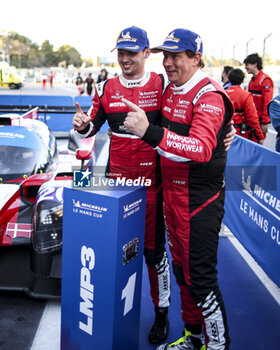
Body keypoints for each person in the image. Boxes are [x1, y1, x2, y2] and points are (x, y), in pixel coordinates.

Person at [122, 28, 233, 350]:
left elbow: (200, 148)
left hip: (199, 201)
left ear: (196, 58)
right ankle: (193, 336)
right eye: (166, 55)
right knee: (182, 273)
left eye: (177, 56)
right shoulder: (170, 89)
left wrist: (149, 132)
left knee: (201, 279)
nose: (168, 63)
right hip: (171, 196)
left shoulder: (208, 94)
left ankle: (217, 345)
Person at [73, 26, 171, 345]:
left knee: (154, 256)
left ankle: (162, 314)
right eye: (121, 52)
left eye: (132, 52)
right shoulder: (105, 86)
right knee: (116, 253)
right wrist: (84, 127)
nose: (125, 58)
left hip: (153, 188)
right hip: (116, 188)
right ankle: (111, 309)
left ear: (147, 53)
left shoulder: (163, 84)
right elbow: (91, 128)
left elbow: (191, 116)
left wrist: (226, 130)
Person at [226, 68, 264, 143]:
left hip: (225, 133)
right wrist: (260, 136)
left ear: (229, 80)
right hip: (240, 134)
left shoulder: (223, 94)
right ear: (242, 80)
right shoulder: (245, 95)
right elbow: (252, 118)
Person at [243, 53, 274, 137]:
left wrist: (264, 122)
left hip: (259, 121)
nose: (245, 67)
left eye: (247, 64)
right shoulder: (251, 81)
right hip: (251, 120)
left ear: (255, 64)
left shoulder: (265, 80)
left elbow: (267, 102)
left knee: (257, 146)